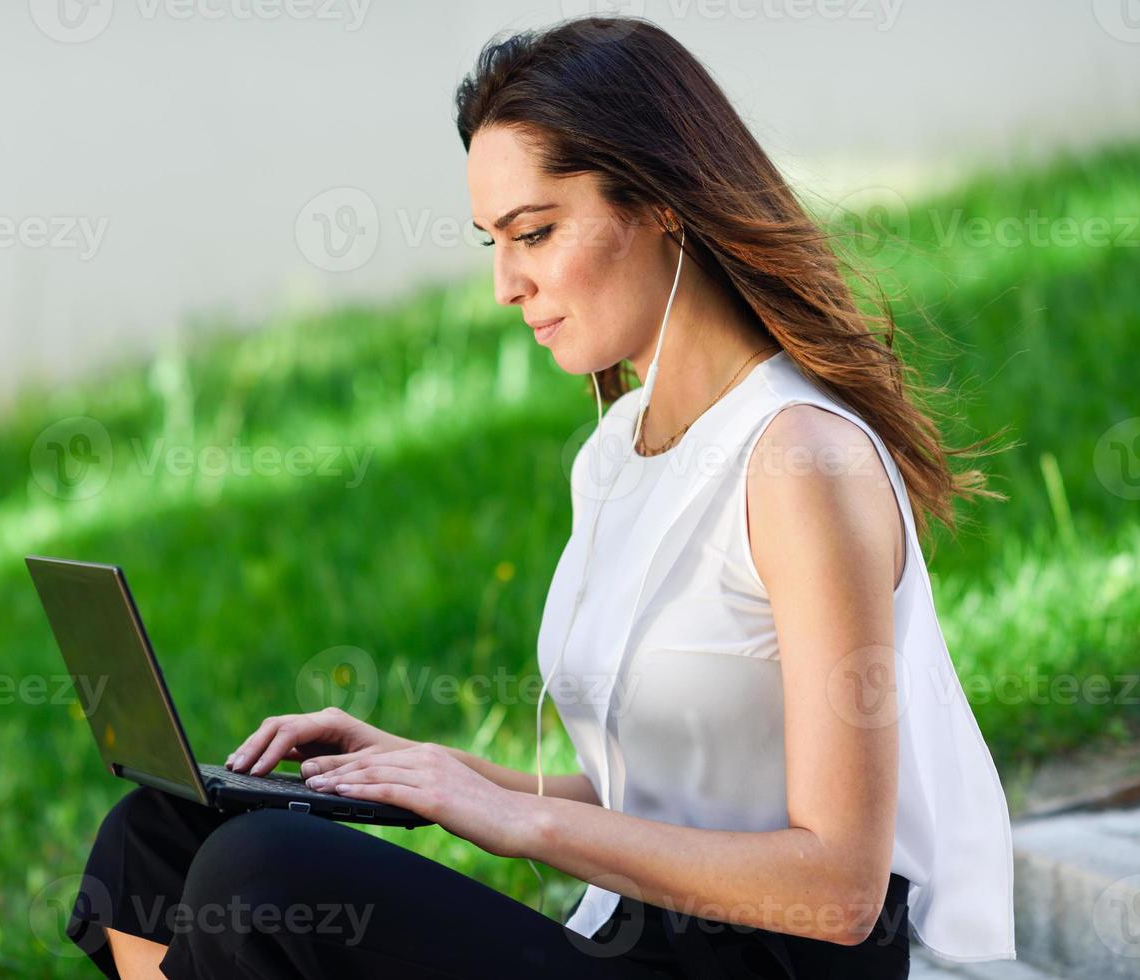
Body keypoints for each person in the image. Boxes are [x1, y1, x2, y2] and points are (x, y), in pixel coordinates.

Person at [65, 14, 1017, 978]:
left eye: (533, 233)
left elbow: (837, 892)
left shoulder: (801, 464)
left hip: (759, 965)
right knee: (157, 837)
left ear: (660, 204)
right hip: (623, 935)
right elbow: (663, 797)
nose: (503, 285)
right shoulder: (620, 453)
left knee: (258, 873)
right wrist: (431, 774)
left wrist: (512, 819)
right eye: (491, 241)